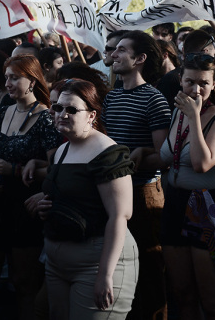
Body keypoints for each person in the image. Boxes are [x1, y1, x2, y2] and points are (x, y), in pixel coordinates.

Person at [40, 78, 138, 318]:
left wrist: (105, 275)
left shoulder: (107, 152)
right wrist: (45, 204)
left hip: (97, 265)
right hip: (58, 264)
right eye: (58, 108)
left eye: (72, 110)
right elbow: (74, 195)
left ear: (91, 116)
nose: (62, 114)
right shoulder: (62, 149)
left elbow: (120, 216)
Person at [0, 55, 58, 319]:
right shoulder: (3, 111)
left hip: (26, 208)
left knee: (24, 283)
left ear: (32, 81)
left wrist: (16, 170)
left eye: (15, 78)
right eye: (6, 77)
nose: (7, 83)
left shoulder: (46, 117)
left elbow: (56, 169)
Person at [159, 53, 215, 320]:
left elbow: (201, 163)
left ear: (213, 84)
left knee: (213, 302)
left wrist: (194, 118)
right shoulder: (177, 113)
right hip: (176, 203)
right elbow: (168, 156)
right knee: (183, 297)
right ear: (180, 80)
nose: (196, 90)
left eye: (203, 83)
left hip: (209, 207)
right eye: (190, 82)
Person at [104, 30, 170, 320]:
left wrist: (139, 154)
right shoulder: (112, 97)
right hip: (112, 192)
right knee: (120, 269)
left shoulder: (154, 100)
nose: (113, 54)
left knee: (148, 269)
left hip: (143, 193)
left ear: (140, 58)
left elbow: (164, 157)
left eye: (121, 50)